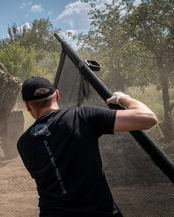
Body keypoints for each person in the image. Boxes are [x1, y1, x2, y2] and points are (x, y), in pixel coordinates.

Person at [17, 76, 158, 217]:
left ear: (28, 106)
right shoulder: (81, 116)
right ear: (58, 95)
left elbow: (54, 172)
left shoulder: (23, 144)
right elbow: (148, 118)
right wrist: (123, 98)